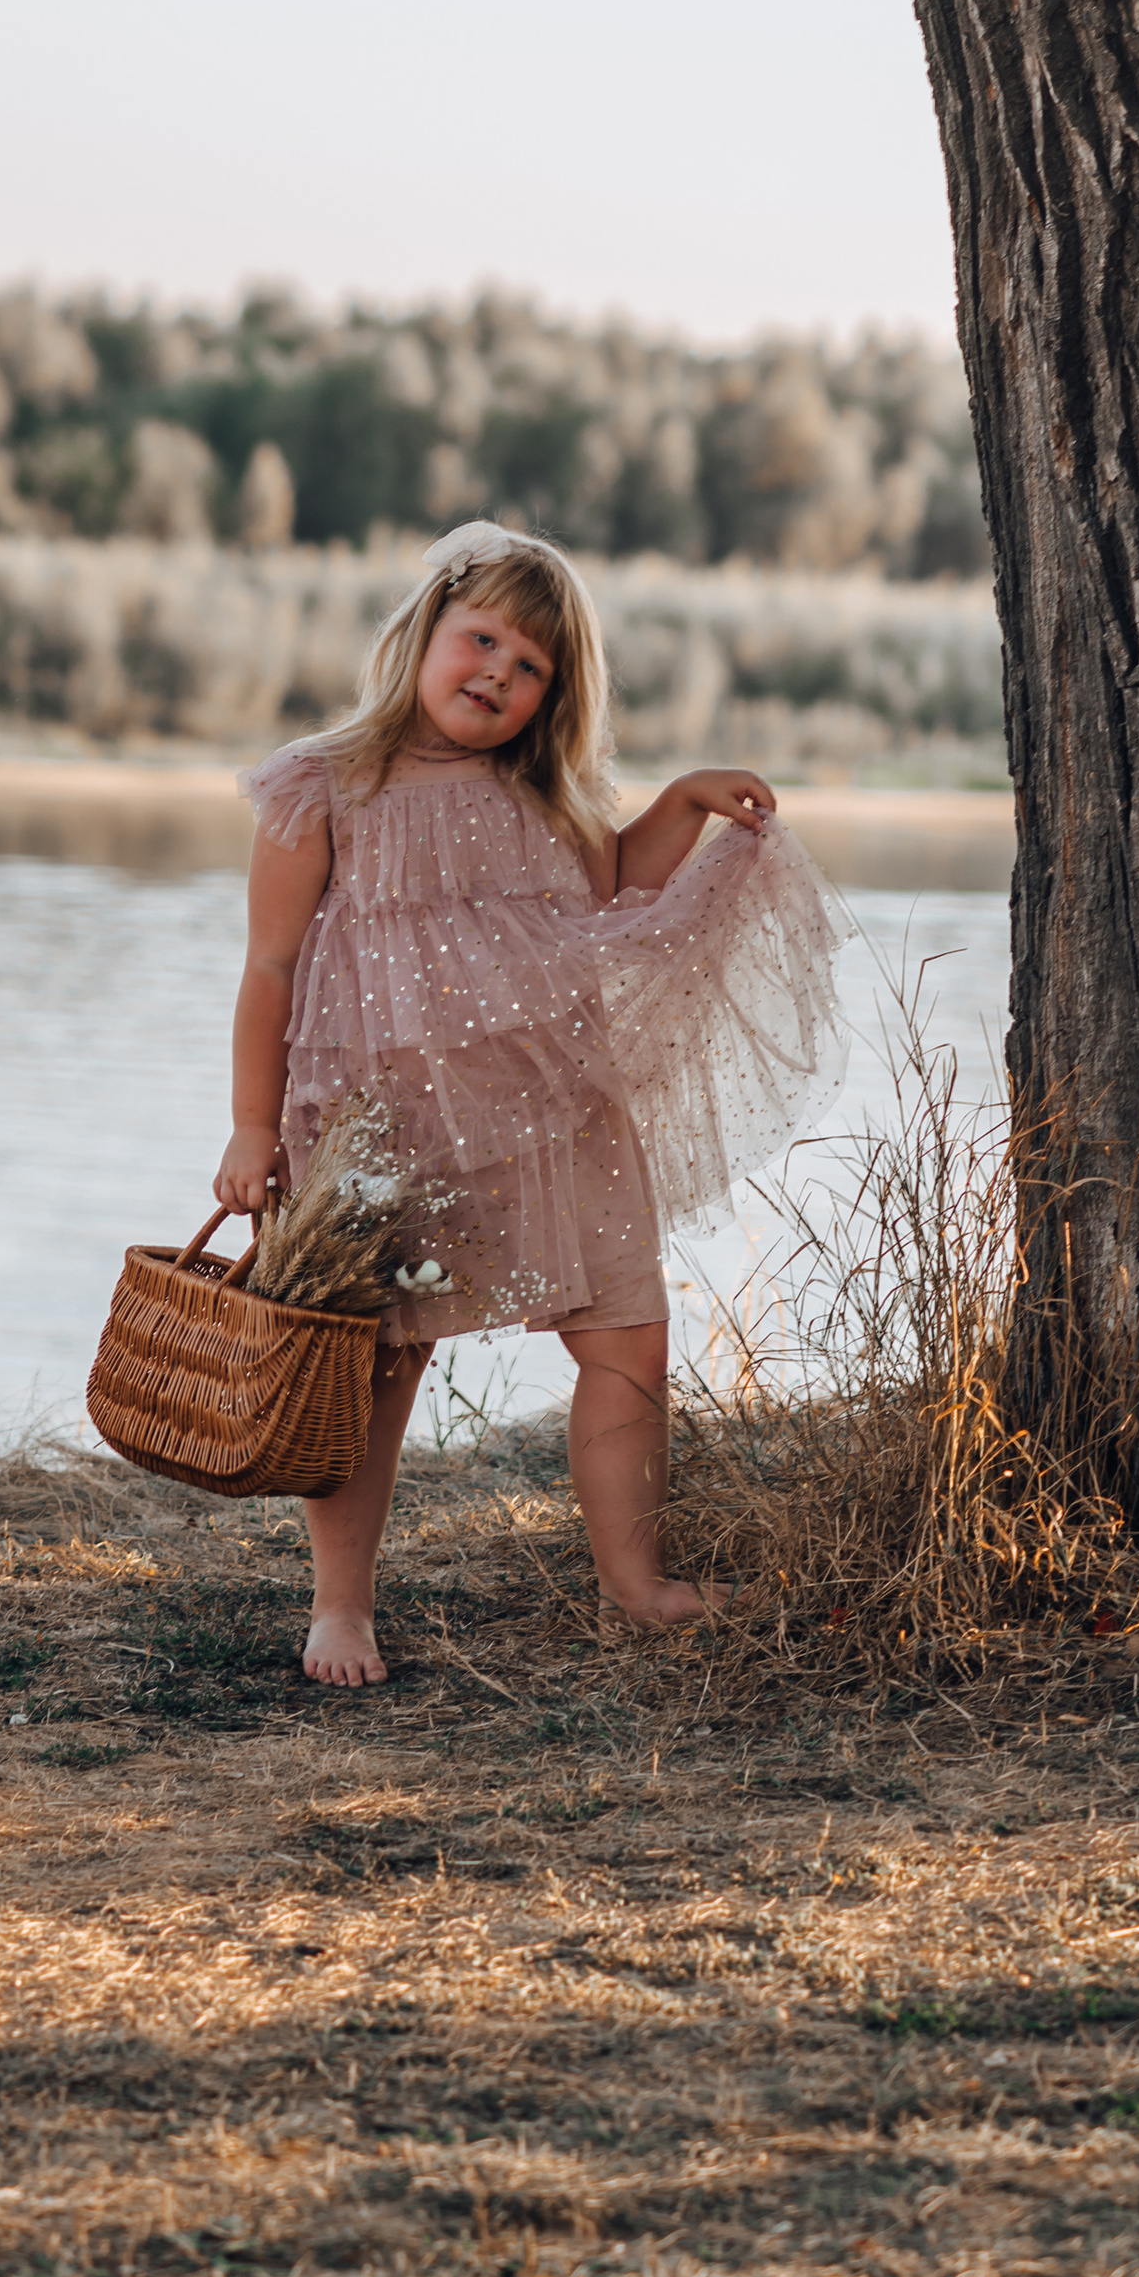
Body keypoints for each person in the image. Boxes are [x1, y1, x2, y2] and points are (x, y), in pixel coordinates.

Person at [217, 520, 843, 1687]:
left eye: (530, 668)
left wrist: (683, 804)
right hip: (377, 1131)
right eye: (483, 640)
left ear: (553, 700)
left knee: (626, 1335)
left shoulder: (539, 794)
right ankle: (340, 1606)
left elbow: (611, 887)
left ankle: (637, 1582)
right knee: (371, 1365)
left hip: (550, 1120)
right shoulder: (325, 784)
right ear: (424, 633)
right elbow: (269, 968)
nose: (498, 674)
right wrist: (253, 1128)